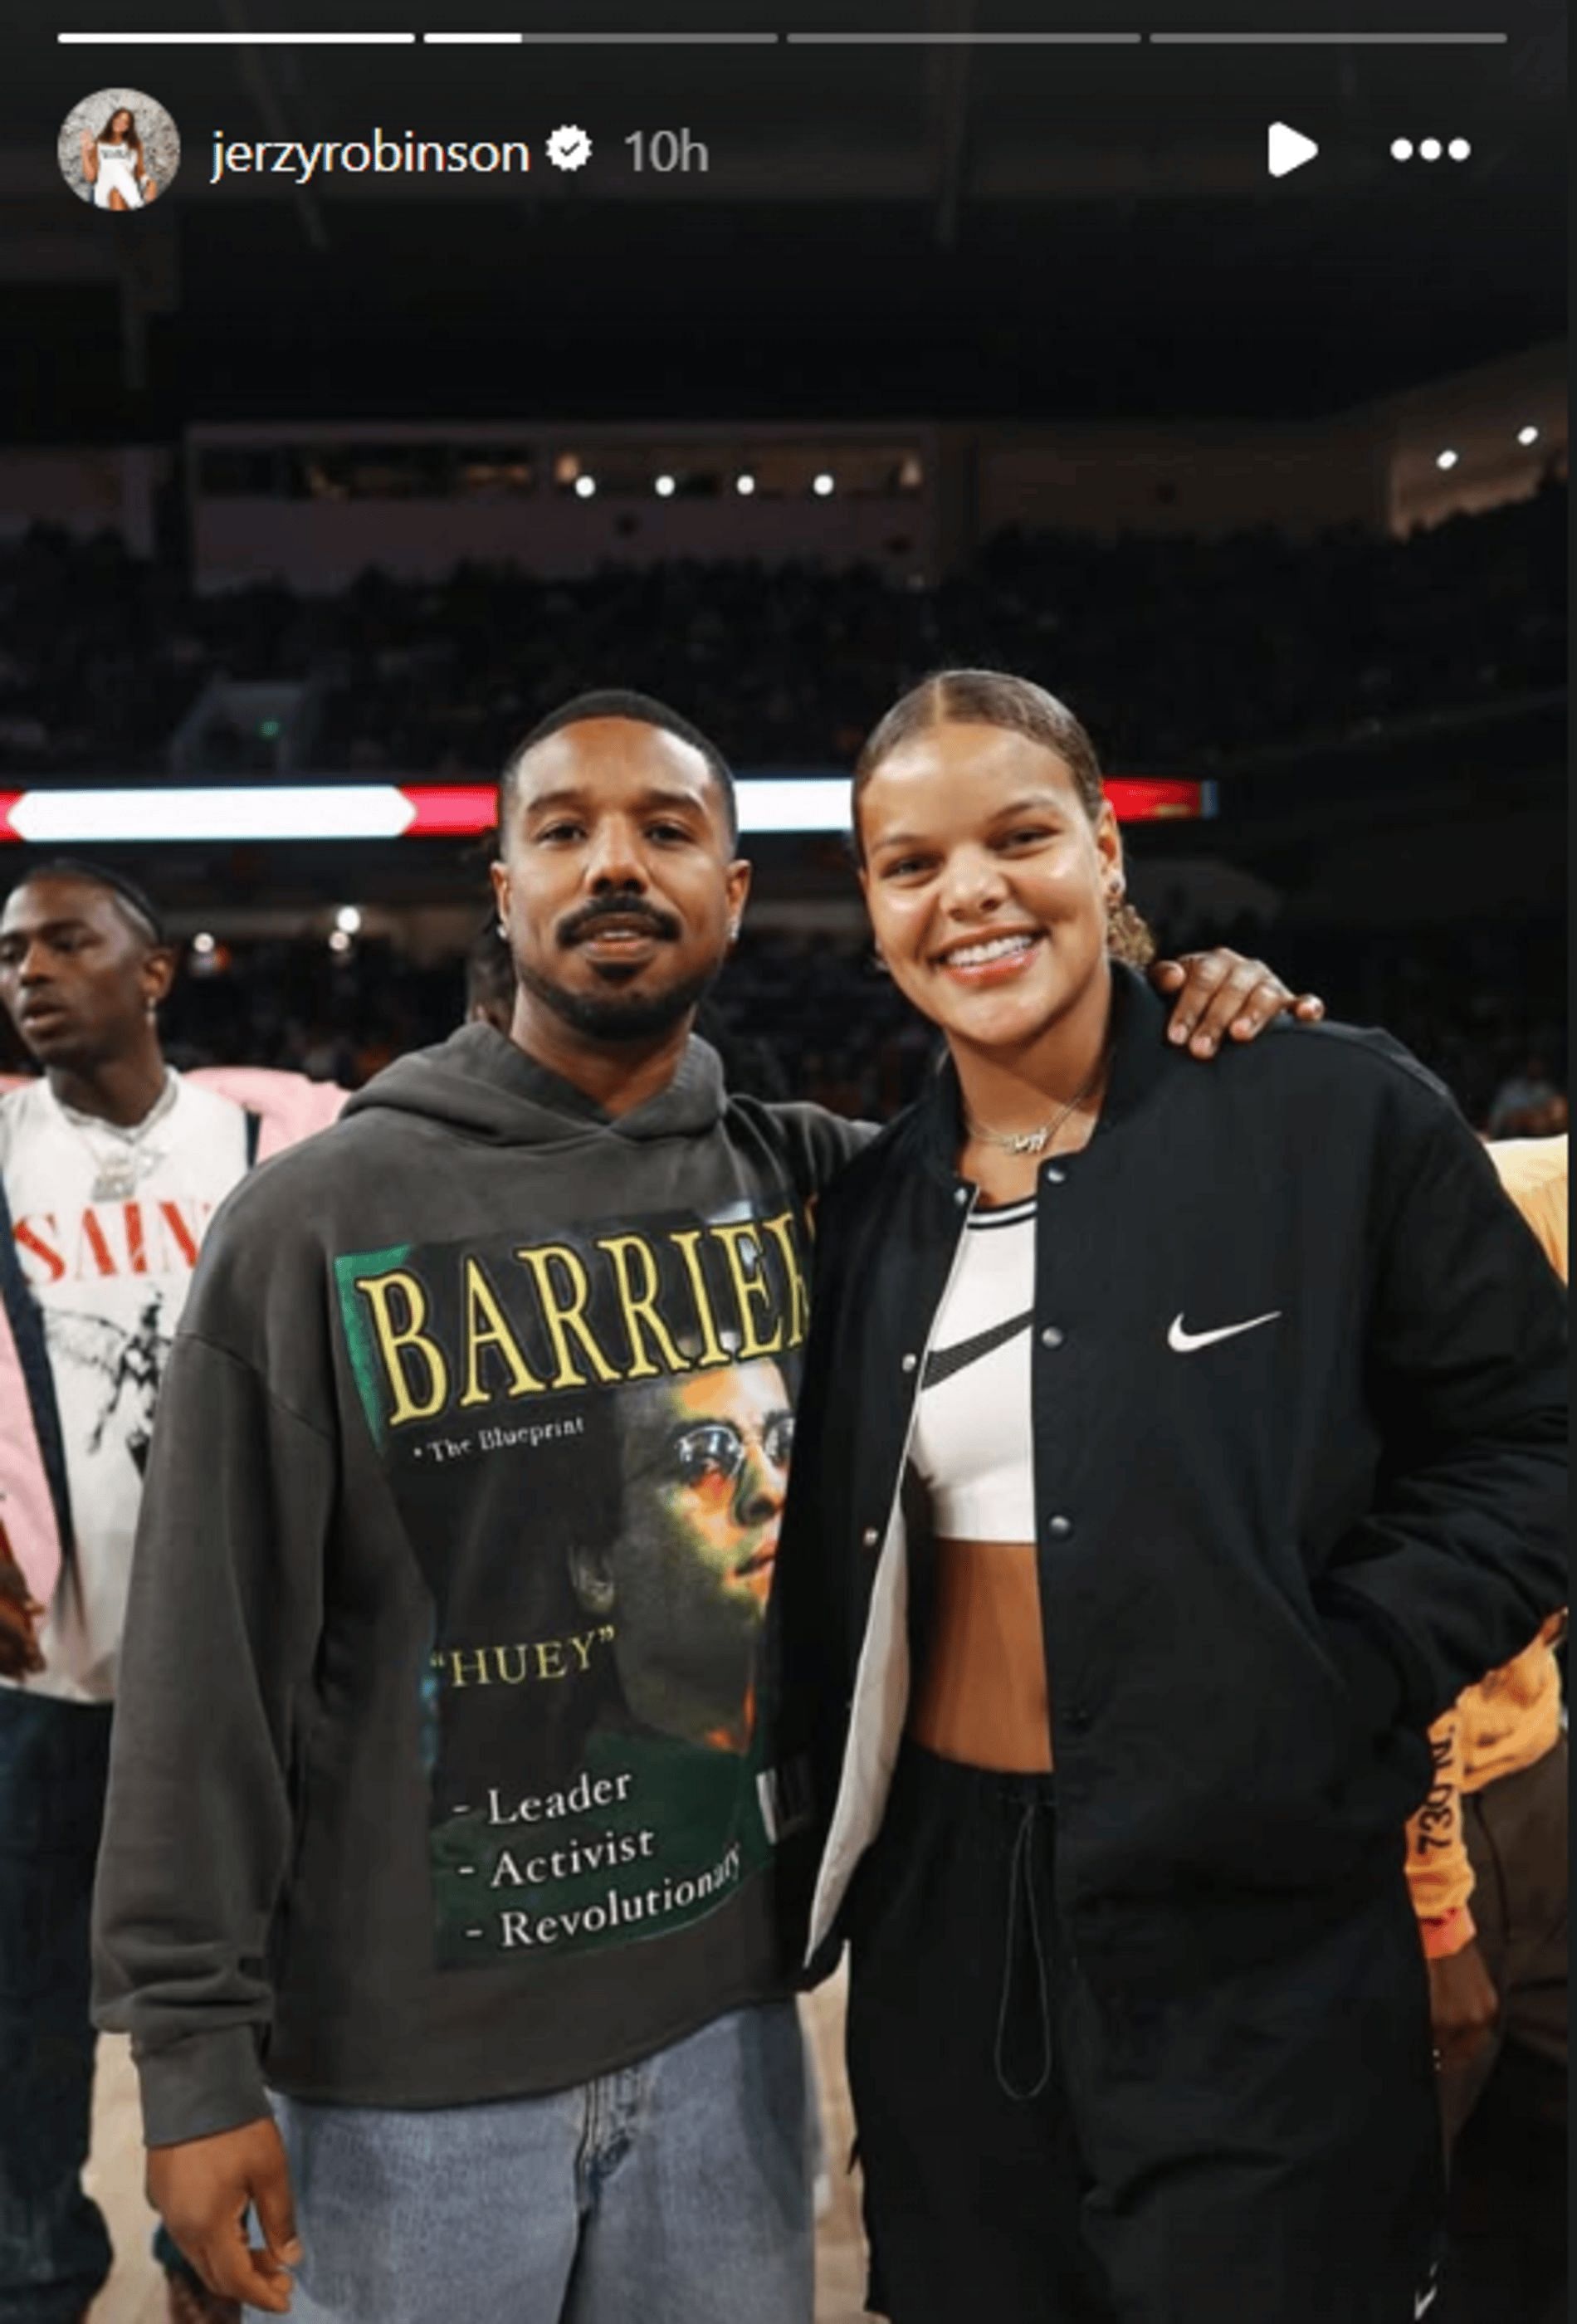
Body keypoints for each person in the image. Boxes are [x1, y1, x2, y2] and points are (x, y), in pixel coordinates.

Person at [89, 689, 1317, 2324]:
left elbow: (1064, 1152)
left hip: (727, 2038)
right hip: (408, 2075)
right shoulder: (317, 1216)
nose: (617, 862)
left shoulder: (817, 1185)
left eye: (666, 830)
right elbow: (204, 1668)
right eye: (565, 831)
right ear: (504, 891)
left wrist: (1181, 1006)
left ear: (733, 894)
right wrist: (192, 2062)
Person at [767, 670, 1568, 2324]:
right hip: (944, 1918)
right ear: (868, 907)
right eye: (908, 864)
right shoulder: (859, 1216)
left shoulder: (1328, 1110)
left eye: (1015, 836)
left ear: (1105, 850)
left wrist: (1342, 1654)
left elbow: (1527, 1437)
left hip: (1252, 1919)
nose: (967, 891)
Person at [0, 860, 343, 2324]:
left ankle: (211, 2270)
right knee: (20, 2019)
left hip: (253, 1684)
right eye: (9, 951)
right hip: (45, 1686)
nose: (27, 970)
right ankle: (31, 2276)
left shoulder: (281, 1134)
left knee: (251, 1996)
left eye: (66, 942)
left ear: (153, 975)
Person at [1411, 1133, 1567, 2324]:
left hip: (1542, 1755)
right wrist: (1436, 1902)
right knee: (1397, 2229)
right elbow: (1409, 1596)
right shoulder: (1500, 1217)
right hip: (1431, 1804)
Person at [80, 109, 158, 211]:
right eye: (118, 119)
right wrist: (84, 152)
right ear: (113, 119)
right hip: (104, 192)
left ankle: (136, 204)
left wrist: (151, 183)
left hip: (126, 194)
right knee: (116, 169)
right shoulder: (99, 144)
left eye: (125, 122)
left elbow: (140, 172)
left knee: (116, 194)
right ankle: (138, 204)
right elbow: (91, 178)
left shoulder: (135, 145)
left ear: (128, 128)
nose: (121, 123)